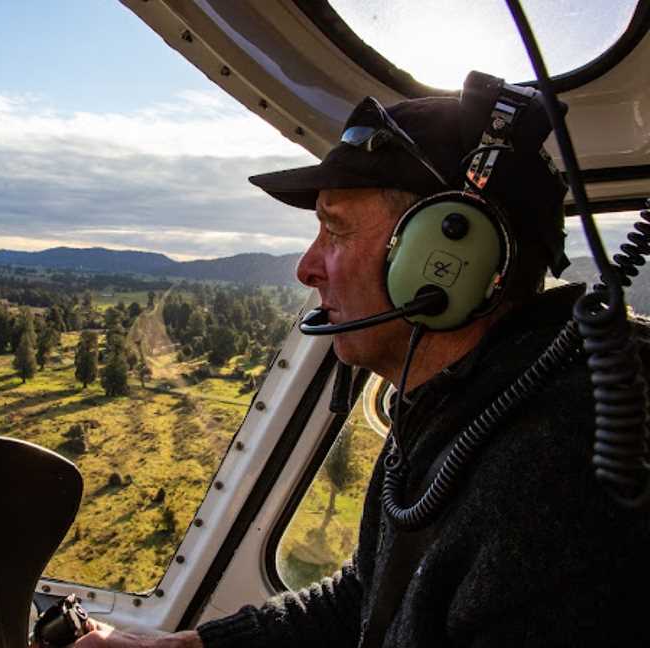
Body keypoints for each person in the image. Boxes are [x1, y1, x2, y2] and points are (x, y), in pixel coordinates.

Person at [72, 72, 650, 647]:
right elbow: (367, 600)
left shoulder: (561, 466)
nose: (307, 267)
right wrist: (172, 647)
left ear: (447, 256)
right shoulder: (455, 409)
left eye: (335, 230)